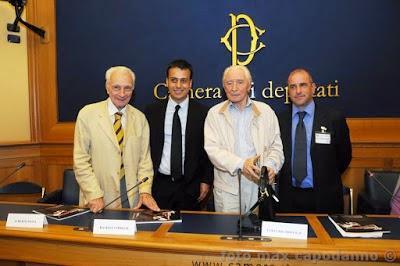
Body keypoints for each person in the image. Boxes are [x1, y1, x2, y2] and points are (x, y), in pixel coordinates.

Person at [73, 66, 159, 213]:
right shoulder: (87, 114)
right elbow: (80, 160)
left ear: (133, 90)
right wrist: (94, 194)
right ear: (107, 88)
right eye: (116, 87)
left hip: (132, 199)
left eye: (127, 88)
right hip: (98, 198)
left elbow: (144, 161)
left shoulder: (140, 119)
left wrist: (145, 191)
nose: (122, 93)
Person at [204, 65, 284, 213]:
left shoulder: (266, 111)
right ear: (224, 87)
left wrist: (270, 167)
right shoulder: (214, 114)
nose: (234, 88)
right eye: (229, 83)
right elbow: (213, 151)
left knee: (260, 234)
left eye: (240, 82)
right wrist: (242, 164)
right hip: (228, 190)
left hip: (259, 187)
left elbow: (276, 147)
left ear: (249, 86)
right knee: (227, 234)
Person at [277, 68, 352, 213]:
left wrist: (326, 175)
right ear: (288, 91)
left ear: (313, 88)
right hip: (288, 199)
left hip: (325, 198)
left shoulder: (333, 118)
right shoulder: (279, 120)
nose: (298, 91)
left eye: (303, 85)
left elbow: (344, 158)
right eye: (293, 87)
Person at [144, 59, 213, 210]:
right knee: (156, 232)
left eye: (183, 81)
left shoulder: (203, 113)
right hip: (158, 185)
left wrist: (205, 181)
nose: (178, 86)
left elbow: (208, 151)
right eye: (174, 80)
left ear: (190, 83)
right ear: (166, 82)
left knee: (188, 232)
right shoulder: (151, 112)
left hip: (190, 187)